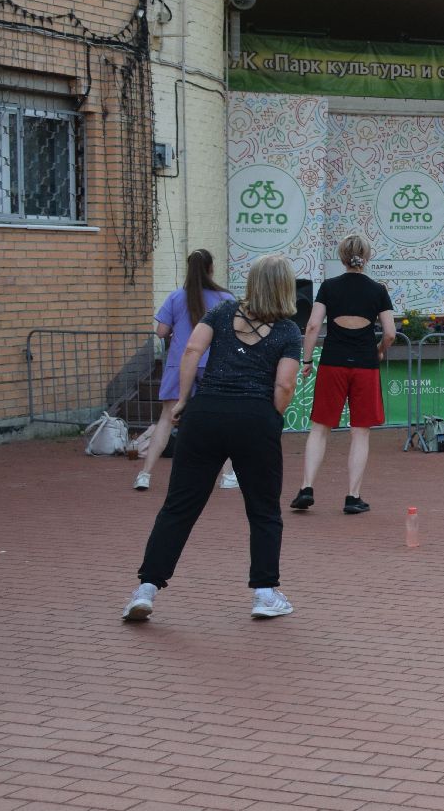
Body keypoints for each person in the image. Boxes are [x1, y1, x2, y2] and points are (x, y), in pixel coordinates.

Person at [121, 255, 302, 622]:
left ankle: (146, 589)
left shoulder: (220, 313)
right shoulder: (287, 331)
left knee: (179, 506)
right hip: (255, 418)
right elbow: (285, 383)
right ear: (285, 286)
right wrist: (272, 415)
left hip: (205, 415)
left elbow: (191, 350)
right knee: (263, 509)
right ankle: (264, 593)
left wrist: (185, 399)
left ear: (251, 282)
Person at [290, 235, 396, 515]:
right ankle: (353, 496)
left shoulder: (328, 287)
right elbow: (390, 333)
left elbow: (312, 326)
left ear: (341, 258)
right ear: (367, 257)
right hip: (365, 365)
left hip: (332, 363)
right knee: (360, 432)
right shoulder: (378, 290)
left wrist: (307, 360)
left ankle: (306, 488)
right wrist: (380, 350)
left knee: (320, 427)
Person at [135, 250, 233, 493]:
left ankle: (144, 474)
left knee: (166, 418)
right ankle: (228, 475)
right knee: (224, 419)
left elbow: (160, 331)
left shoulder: (176, 296)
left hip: (179, 363)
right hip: (213, 363)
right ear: (211, 268)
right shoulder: (225, 298)